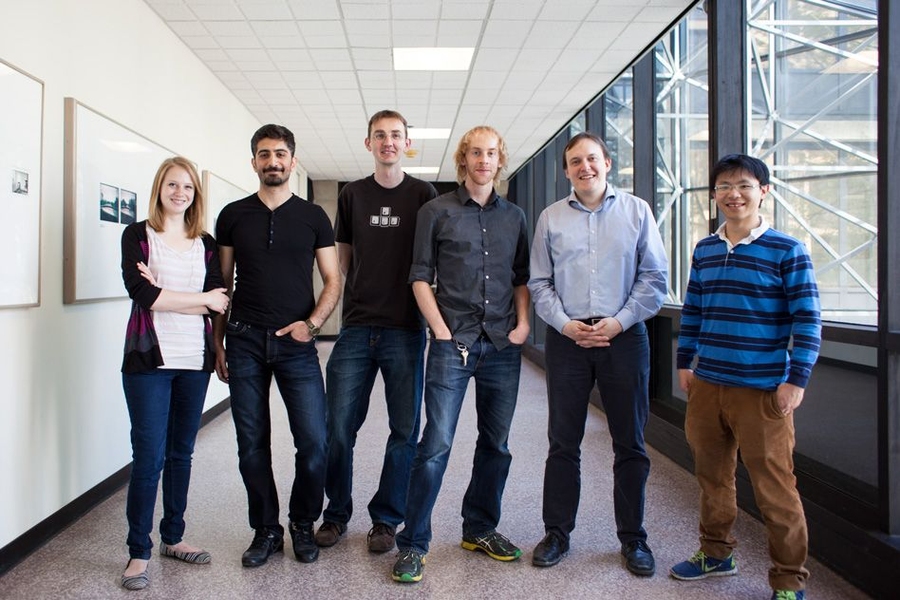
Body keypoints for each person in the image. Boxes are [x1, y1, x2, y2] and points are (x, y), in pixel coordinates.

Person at [670, 154, 821, 600]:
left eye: (743, 186)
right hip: (708, 383)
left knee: (775, 488)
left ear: (763, 192)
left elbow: (808, 319)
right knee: (712, 478)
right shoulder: (705, 249)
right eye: (723, 186)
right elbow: (694, 309)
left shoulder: (787, 250)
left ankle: (789, 580)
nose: (733, 194)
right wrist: (685, 362)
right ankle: (716, 554)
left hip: (763, 390)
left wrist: (796, 379)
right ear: (714, 194)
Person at [391, 125, 531, 584]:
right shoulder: (436, 211)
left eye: (491, 153)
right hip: (453, 345)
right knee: (435, 444)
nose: (483, 160)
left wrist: (523, 325)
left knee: (497, 445)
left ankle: (480, 529)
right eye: (475, 153)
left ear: (500, 160)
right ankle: (414, 544)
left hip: (502, 346)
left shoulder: (515, 217)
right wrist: (440, 330)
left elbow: (521, 277)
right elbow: (419, 276)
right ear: (463, 160)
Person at [527, 132, 668, 576]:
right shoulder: (550, 218)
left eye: (591, 159)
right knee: (562, 442)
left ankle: (633, 539)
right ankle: (556, 533)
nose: (584, 167)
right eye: (575, 161)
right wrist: (565, 324)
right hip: (567, 340)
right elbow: (539, 282)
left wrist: (620, 321)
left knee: (630, 443)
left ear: (607, 163)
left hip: (624, 337)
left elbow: (654, 277)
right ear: (566, 171)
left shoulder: (637, 211)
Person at [214, 124, 341, 568]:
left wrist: (313, 324)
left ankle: (302, 523)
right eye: (265, 154)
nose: (273, 161)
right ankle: (266, 529)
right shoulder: (233, 215)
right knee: (251, 444)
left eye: (281, 154)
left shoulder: (313, 216)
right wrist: (218, 343)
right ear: (254, 162)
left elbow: (333, 280)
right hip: (244, 340)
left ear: (292, 161)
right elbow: (223, 283)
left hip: (296, 344)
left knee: (315, 442)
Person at [316, 110, 438, 553]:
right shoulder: (352, 194)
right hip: (356, 329)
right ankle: (336, 514)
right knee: (337, 427)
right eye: (380, 135)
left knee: (404, 431)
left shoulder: (423, 195)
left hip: (405, 329)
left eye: (396, 135)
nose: (388, 141)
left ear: (407, 143)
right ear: (368, 143)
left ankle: (386, 520)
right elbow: (343, 259)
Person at [119, 156, 230, 590]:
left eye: (187, 186)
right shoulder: (137, 235)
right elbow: (142, 294)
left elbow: (220, 298)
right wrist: (198, 299)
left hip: (193, 361)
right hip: (149, 362)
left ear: (195, 194)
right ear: (159, 189)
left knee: (181, 453)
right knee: (148, 457)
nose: (179, 192)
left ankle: (173, 537)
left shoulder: (205, 242)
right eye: (172, 185)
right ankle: (138, 552)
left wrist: (168, 294)